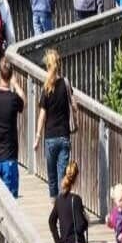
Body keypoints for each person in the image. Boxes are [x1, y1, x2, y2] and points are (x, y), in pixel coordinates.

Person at [34, 48, 73, 200]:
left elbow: (42, 116)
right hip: (64, 136)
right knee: (62, 175)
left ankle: (55, 207)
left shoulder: (46, 89)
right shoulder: (66, 83)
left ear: (48, 67)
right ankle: (62, 206)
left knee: (52, 176)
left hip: (50, 137)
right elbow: (74, 106)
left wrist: (37, 137)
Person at [0, 58, 25, 199]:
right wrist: (15, 84)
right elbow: (23, 99)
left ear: (0, 75)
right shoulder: (14, 99)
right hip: (10, 155)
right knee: (11, 199)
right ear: (11, 75)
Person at [50, 163, 90, 243]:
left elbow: (51, 221)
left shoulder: (59, 199)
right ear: (77, 178)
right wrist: (86, 220)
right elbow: (80, 226)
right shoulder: (76, 199)